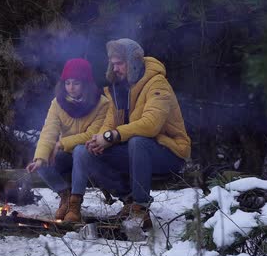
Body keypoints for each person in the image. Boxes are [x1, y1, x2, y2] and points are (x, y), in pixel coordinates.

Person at [67, 38, 191, 228]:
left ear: (133, 62)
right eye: (113, 64)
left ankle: (140, 209)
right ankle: (127, 200)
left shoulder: (157, 83)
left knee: (137, 141)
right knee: (84, 151)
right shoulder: (118, 89)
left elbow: (151, 125)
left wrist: (112, 136)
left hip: (169, 152)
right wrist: (98, 139)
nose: (115, 68)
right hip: (135, 153)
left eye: (119, 63)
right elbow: (109, 123)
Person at [26, 58, 109, 221]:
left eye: (76, 83)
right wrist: (40, 158)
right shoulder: (58, 103)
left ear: (86, 84)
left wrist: (62, 143)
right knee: (43, 160)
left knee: (80, 150)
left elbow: (91, 135)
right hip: (68, 156)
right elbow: (49, 131)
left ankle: (75, 204)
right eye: (67, 83)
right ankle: (65, 196)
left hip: (92, 156)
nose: (71, 88)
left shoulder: (102, 103)